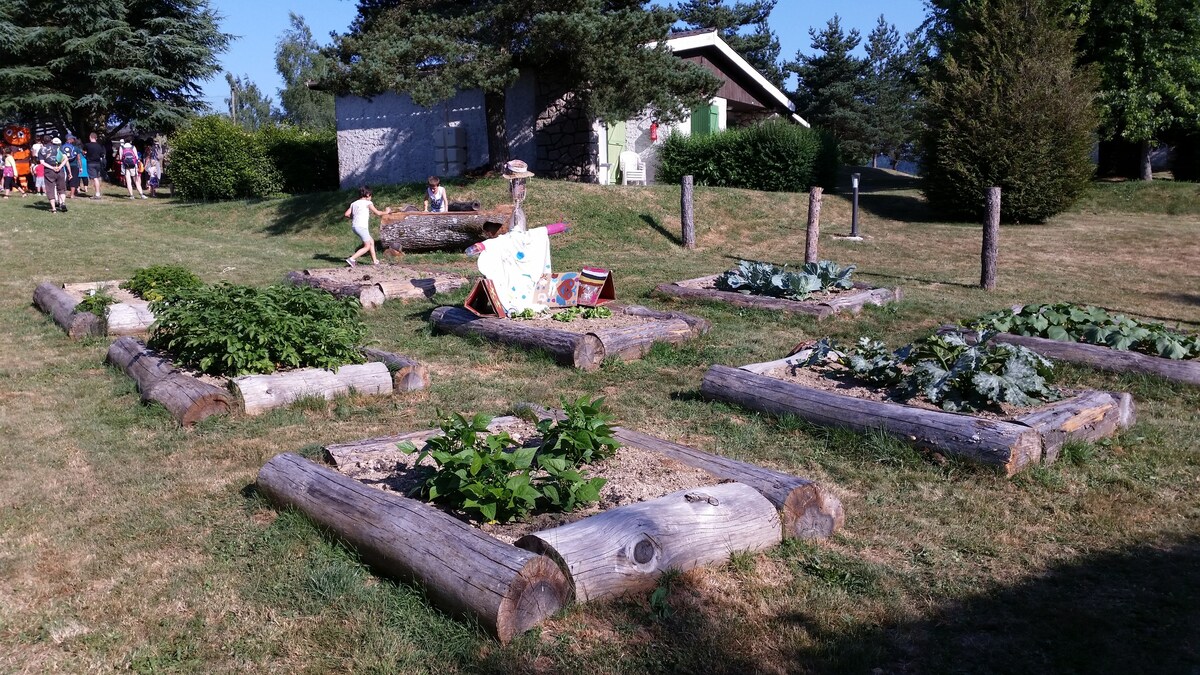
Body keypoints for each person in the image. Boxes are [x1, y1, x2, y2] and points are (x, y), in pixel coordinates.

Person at [343, 186, 391, 267]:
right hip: (362, 227)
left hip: (355, 227)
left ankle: (375, 261)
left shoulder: (353, 203)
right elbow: (378, 213)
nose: (371, 197)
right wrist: (386, 211)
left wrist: (354, 217)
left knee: (371, 242)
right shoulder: (368, 203)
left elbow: (346, 214)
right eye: (371, 195)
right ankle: (352, 259)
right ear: (368, 194)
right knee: (367, 246)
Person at [39, 137, 69, 213]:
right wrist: (59, 167)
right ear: (51, 141)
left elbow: (42, 162)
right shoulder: (59, 148)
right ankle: (62, 203)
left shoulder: (42, 150)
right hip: (60, 169)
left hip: (49, 170)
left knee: (50, 189)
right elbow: (66, 159)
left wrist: (52, 167)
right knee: (61, 188)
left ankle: (54, 209)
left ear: (43, 141)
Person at [84, 132, 107, 198]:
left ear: (90, 137)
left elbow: (84, 152)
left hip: (91, 163)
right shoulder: (99, 146)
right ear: (96, 138)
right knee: (96, 177)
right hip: (98, 164)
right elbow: (102, 155)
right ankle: (97, 192)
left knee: (95, 179)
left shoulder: (87, 145)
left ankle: (97, 194)